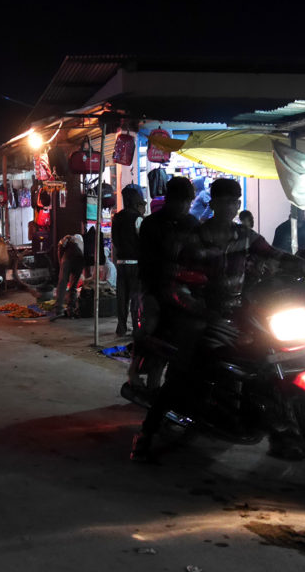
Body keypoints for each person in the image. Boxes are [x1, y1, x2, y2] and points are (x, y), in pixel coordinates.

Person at [129, 176, 199, 459]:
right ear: (169, 199)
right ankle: (138, 372)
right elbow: (149, 261)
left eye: (187, 201)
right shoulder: (151, 224)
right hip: (157, 290)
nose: (184, 206)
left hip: (187, 290)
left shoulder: (194, 224)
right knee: (151, 330)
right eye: (180, 200)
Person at [112, 185, 145, 336]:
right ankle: (136, 328)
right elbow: (143, 239)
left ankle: (121, 327)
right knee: (135, 298)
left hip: (121, 263)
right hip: (135, 263)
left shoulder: (117, 217)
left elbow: (114, 240)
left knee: (122, 297)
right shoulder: (137, 218)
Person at [54, 233, 85, 318]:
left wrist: (61, 266)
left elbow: (59, 252)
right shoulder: (82, 242)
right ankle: (71, 309)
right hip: (79, 261)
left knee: (62, 285)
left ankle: (58, 310)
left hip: (67, 259)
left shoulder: (65, 240)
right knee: (73, 286)